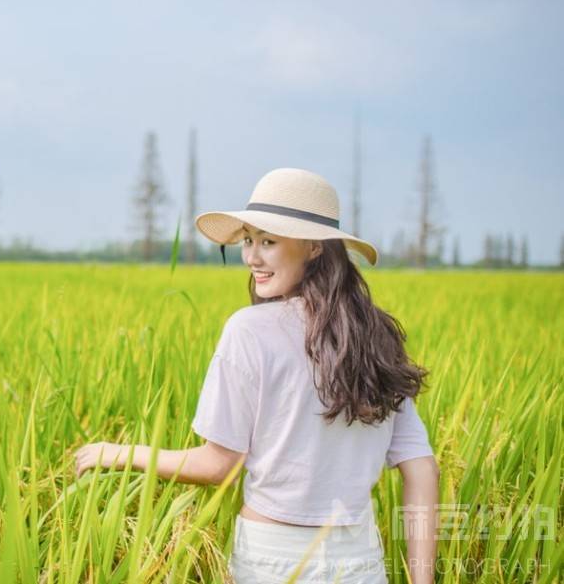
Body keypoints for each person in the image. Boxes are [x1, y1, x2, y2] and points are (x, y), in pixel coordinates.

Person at [73, 167, 440, 583]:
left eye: (269, 241)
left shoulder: (249, 328)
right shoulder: (375, 336)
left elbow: (218, 465)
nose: (252, 257)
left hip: (271, 560)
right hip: (358, 561)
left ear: (314, 248)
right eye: (249, 240)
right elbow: (422, 469)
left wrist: (119, 453)